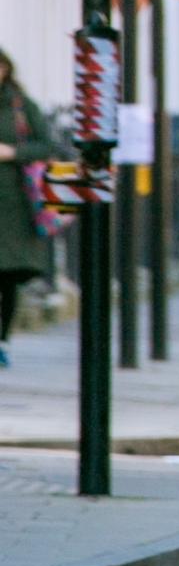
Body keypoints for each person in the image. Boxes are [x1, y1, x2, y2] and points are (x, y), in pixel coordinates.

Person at [0, 50, 58, 369]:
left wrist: (12, 151)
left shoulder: (21, 105)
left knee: (7, 276)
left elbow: (46, 145)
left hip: (15, 202)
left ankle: (2, 339)